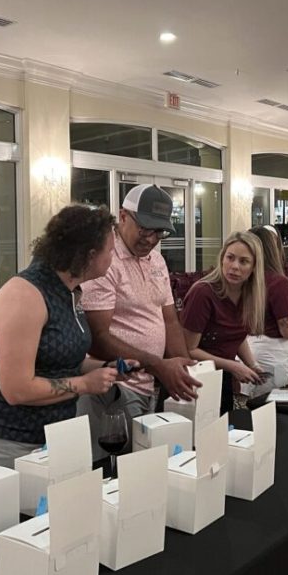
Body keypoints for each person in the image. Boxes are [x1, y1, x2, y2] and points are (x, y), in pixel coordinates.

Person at [0, 205, 121, 467]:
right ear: (90, 255)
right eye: (111, 251)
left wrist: (106, 368)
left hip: (44, 438)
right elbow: (17, 389)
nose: (113, 257)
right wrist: (85, 384)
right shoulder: (26, 295)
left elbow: (63, 360)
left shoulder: (69, 291)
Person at [77, 185, 201, 440]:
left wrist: (185, 369)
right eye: (144, 228)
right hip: (115, 386)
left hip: (149, 385)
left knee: (146, 463)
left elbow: (169, 319)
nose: (151, 239)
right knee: (116, 468)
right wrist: (157, 365)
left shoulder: (156, 260)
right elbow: (98, 338)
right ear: (123, 216)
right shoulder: (105, 260)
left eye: (159, 232)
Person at [180, 232, 266, 411]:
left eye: (243, 261)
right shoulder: (203, 293)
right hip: (192, 380)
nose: (234, 266)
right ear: (222, 258)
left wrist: (252, 365)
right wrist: (233, 365)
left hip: (222, 376)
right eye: (230, 258)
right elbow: (188, 350)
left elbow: (236, 335)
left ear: (254, 268)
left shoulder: (249, 297)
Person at [247, 226, 288, 389]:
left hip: (247, 351)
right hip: (273, 354)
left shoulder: (244, 280)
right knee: (272, 410)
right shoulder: (278, 282)